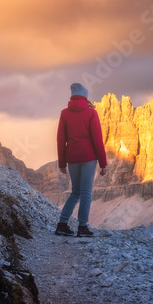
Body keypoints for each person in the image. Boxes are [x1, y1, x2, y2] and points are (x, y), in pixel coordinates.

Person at [54, 82, 108, 237]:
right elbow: (97, 140)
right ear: (85, 96)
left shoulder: (65, 113)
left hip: (72, 158)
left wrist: (62, 162)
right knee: (85, 192)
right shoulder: (91, 113)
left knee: (75, 192)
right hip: (88, 158)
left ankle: (62, 224)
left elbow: (60, 139)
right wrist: (103, 163)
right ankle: (82, 227)